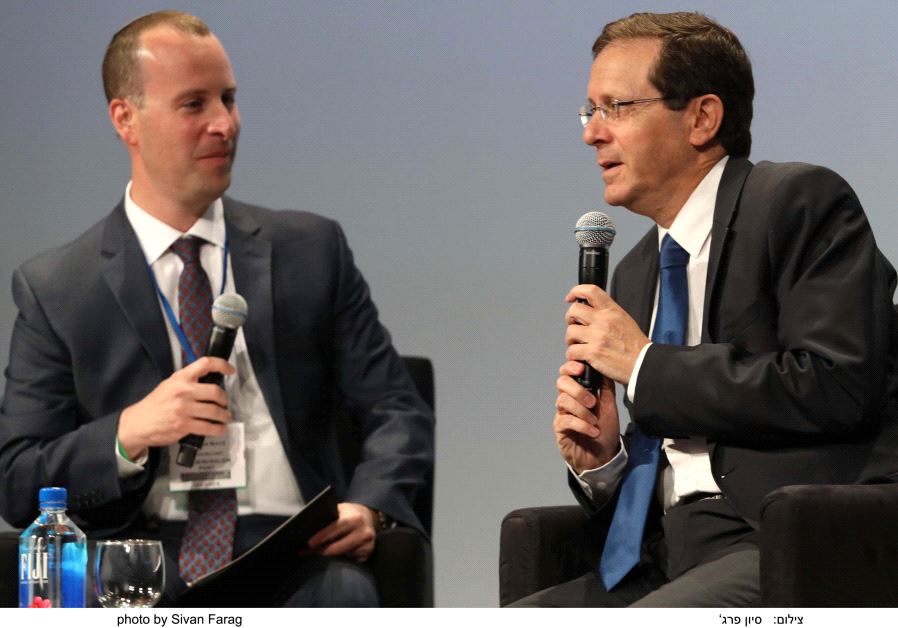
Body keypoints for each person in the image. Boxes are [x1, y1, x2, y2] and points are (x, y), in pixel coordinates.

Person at [0, 11, 433, 607]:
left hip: (297, 552)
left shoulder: (311, 251)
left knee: (343, 599)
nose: (225, 124)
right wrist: (129, 432)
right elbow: (20, 478)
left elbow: (396, 408)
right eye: (194, 104)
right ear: (125, 118)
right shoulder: (59, 288)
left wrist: (371, 505)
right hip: (143, 558)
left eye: (228, 99)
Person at [522, 11, 898, 607]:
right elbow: (675, 467)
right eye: (589, 112)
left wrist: (646, 366)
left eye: (615, 107)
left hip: (784, 546)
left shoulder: (797, 202)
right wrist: (606, 463)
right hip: (668, 558)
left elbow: (838, 382)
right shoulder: (638, 269)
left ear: (702, 117)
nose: (592, 133)